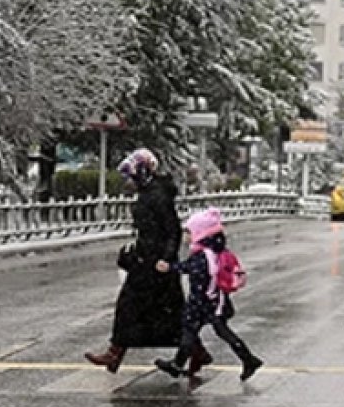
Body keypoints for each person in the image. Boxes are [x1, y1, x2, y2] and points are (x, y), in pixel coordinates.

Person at [84, 149, 204, 373]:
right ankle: (195, 351)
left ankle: (116, 352)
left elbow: (172, 231)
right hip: (146, 262)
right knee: (156, 311)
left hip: (156, 265)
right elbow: (148, 233)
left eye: (132, 175)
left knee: (144, 309)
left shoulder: (157, 195)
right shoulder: (150, 193)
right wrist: (133, 256)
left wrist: (165, 259)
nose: (129, 181)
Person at [153, 208, 263, 381]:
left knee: (192, 331)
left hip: (203, 300)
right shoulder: (215, 250)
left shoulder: (204, 255)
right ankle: (247, 359)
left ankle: (178, 364)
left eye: (188, 232)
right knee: (213, 330)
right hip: (213, 299)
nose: (185, 236)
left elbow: (191, 269)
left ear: (200, 233)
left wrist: (170, 268)